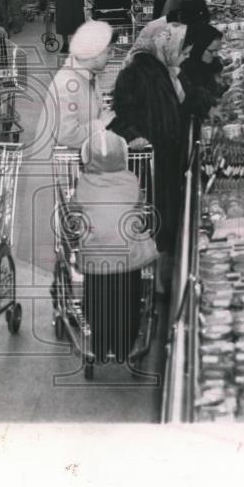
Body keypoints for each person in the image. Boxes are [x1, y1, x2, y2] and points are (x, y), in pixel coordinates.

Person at [108, 18, 190, 296]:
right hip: (152, 159)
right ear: (156, 42)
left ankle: (161, 277)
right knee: (157, 215)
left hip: (160, 155)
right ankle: (158, 281)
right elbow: (119, 116)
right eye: (168, 41)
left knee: (161, 214)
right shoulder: (136, 73)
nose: (171, 46)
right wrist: (133, 137)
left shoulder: (158, 69)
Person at [73, 128, 160, 365]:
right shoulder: (131, 181)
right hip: (127, 257)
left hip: (94, 258)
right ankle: (125, 347)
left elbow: (76, 212)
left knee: (96, 302)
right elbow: (140, 208)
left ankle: (100, 347)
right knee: (129, 301)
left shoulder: (83, 184)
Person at [35, 19, 115, 151]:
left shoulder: (87, 76)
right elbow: (66, 136)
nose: (111, 57)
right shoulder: (68, 85)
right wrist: (99, 125)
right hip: (61, 167)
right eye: (109, 52)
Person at [178, 22, 226, 132]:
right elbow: (188, 97)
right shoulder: (184, 68)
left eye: (217, 51)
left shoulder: (207, 64)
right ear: (199, 47)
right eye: (211, 51)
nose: (215, 55)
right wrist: (207, 108)